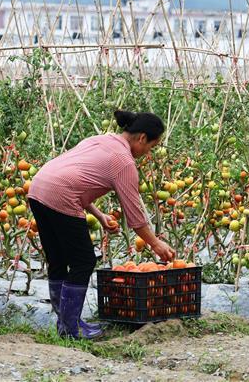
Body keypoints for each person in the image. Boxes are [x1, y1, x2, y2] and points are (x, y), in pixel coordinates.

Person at [28, 109, 175, 339]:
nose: (147, 153)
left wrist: (98, 214)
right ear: (142, 138)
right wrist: (156, 245)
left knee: (57, 259)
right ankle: (70, 328)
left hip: (38, 188)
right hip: (60, 195)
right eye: (151, 147)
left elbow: (75, 176)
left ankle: (67, 323)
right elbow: (135, 215)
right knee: (84, 261)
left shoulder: (103, 139)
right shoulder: (124, 162)